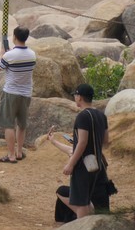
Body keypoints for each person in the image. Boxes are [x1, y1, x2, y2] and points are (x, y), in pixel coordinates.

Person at [46, 84, 110, 219]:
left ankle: (82, 228)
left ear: (79, 97)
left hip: (82, 165)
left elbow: (82, 142)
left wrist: (71, 164)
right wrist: (54, 142)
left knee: (81, 202)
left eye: (75, 95)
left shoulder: (82, 116)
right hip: (96, 163)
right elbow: (105, 140)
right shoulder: (101, 116)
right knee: (86, 199)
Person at [0, 26, 36, 163]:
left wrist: (1, 55)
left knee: (8, 124)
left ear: (14, 37)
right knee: (22, 124)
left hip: (11, 92)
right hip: (26, 93)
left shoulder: (9, 55)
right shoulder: (32, 54)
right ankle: (19, 152)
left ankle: (11, 155)